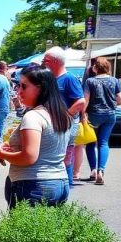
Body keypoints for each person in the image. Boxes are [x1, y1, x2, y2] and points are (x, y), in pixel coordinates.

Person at [0, 66, 77, 207]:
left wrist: (0, 153)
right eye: (19, 86)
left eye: (24, 86)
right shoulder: (62, 115)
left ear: (40, 88)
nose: (19, 91)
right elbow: (51, 150)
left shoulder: (33, 116)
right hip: (59, 182)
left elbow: (29, 157)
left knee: (23, 229)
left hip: (33, 186)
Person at [41, 46, 84, 185]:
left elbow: (81, 101)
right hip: (54, 125)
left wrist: (66, 115)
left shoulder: (69, 78)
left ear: (54, 61)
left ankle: (66, 188)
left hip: (66, 125)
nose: (43, 62)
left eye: (45, 60)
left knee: (65, 160)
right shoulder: (51, 78)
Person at [82, 56, 121, 184]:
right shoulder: (114, 81)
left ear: (95, 68)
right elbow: (120, 99)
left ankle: (93, 170)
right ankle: (101, 171)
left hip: (93, 114)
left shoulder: (90, 81)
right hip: (110, 114)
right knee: (104, 143)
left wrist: (82, 114)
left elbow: (85, 100)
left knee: (91, 143)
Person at [0, 61, 12, 143]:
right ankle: (1, 143)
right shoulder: (4, 79)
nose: (7, 69)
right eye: (6, 67)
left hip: (0, 106)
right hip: (5, 105)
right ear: (3, 68)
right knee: (2, 126)